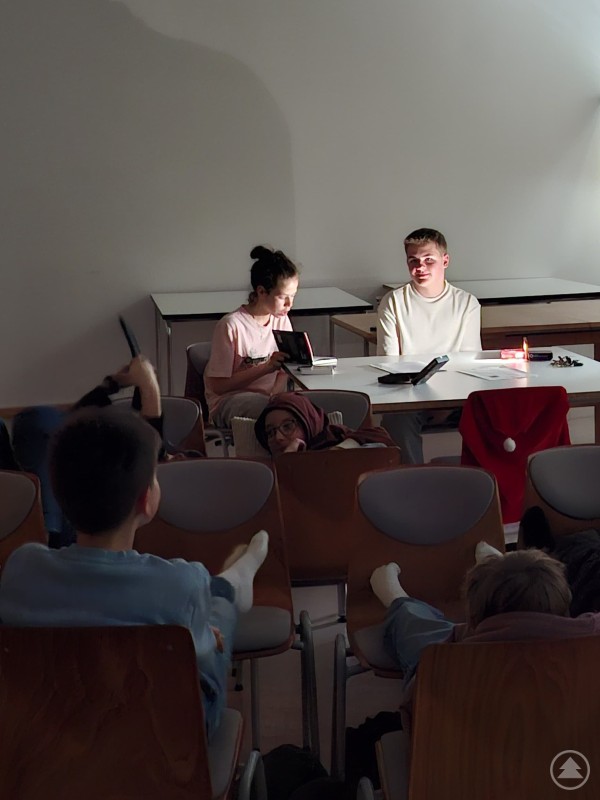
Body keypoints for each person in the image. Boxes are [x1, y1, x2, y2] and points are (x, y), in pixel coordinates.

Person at [0, 407, 269, 742]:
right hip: (164, 755)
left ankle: (223, 594)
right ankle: (230, 588)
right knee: (217, 625)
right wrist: (199, 632)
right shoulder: (179, 584)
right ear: (147, 500)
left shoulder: (21, 570)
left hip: (50, 750)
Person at [370, 544, 600, 687]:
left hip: (468, 760)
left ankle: (397, 600)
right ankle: (498, 567)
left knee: (420, 634)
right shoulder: (592, 632)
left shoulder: (443, 662)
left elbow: (415, 708)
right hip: (576, 759)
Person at [10, 354, 177, 548]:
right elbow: (144, 451)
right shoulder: (184, 575)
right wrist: (127, 384)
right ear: (146, 499)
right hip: (68, 522)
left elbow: (145, 447)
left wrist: (143, 384)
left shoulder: (23, 562)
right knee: (40, 419)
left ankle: (49, 529)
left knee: (39, 419)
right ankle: (49, 528)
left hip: (59, 529)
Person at [377, 228, 481, 464]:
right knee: (398, 419)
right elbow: (389, 362)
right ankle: (413, 481)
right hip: (407, 395)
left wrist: (444, 401)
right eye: (413, 261)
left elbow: (468, 362)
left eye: (428, 260)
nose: (419, 268)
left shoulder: (466, 303)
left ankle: (478, 478)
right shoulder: (393, 301)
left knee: (490, 409)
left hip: (455, 394)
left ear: (445, 260)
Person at [205, 245, 300, 428]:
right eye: (283, 297)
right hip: (229, 401)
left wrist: (275, 394)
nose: (289, 304)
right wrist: (266, 368)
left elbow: (282, 372)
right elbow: (218, 386)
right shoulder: (231, 325)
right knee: (277, 414)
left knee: (303, 409)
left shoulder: (282, 321)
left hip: (268, 400)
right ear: (261, 291)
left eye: (293, 296)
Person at [254, 392, 395, 457]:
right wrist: (288, 461)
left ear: (307, 423)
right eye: (271, 432)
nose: (278, 437)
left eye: (287, 426)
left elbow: (379, 435)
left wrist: (336, 452)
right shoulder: (265, 471)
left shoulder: (334, 436)